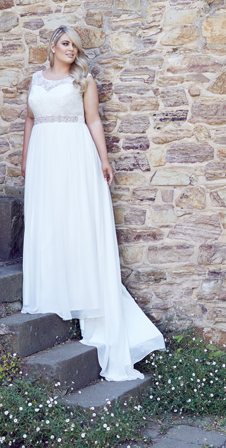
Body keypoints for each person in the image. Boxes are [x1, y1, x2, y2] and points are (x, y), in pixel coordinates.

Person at [20, 25, 165, 381]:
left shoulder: (83, 80)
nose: (71, 50)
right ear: (52, 46)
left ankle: (84, 293)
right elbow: (28, 119)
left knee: (75, 222)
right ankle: (51, 290)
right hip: (42, 159)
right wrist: (24, 160)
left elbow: (94, 120)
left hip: (74, 155)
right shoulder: (36, 80)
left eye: (76, 46)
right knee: (48, 222)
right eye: (66, 44)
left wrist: (104, 158)